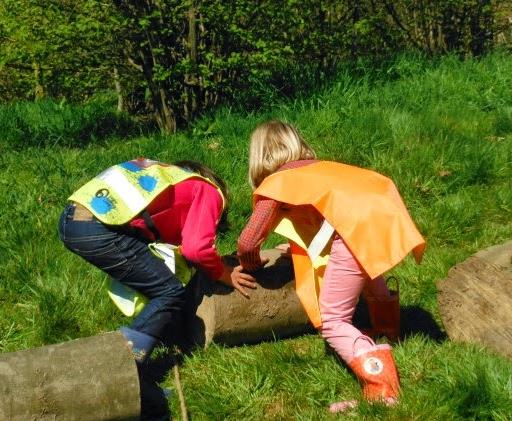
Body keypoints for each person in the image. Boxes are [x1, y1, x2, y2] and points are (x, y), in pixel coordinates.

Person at [237, 121, 426, 412]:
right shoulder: (319, 169)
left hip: (354, 228)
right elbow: (328, 218)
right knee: (370, 275)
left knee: (333, 319)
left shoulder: (276, 184)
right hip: (380, 212)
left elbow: (248, 242)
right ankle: (388, 333)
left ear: (259, 157)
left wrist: (251, 265)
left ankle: (383, 389)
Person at [58, 158, 256, 420]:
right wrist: (223, 272)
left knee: (159, 286)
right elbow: (196, 248)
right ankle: (124, 369)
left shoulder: (163, 179)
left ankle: (149, 361)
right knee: (169, 291)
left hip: (72, 218)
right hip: (96, 227)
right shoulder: (209, 191)